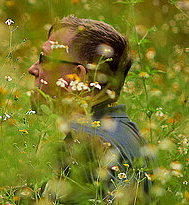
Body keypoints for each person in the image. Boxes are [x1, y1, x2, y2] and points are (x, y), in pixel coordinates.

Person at [20, 16, 155, 204]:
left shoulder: (87, 149)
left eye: (43, 58)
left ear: (77, 77)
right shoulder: (132, 136)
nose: (32, 68)